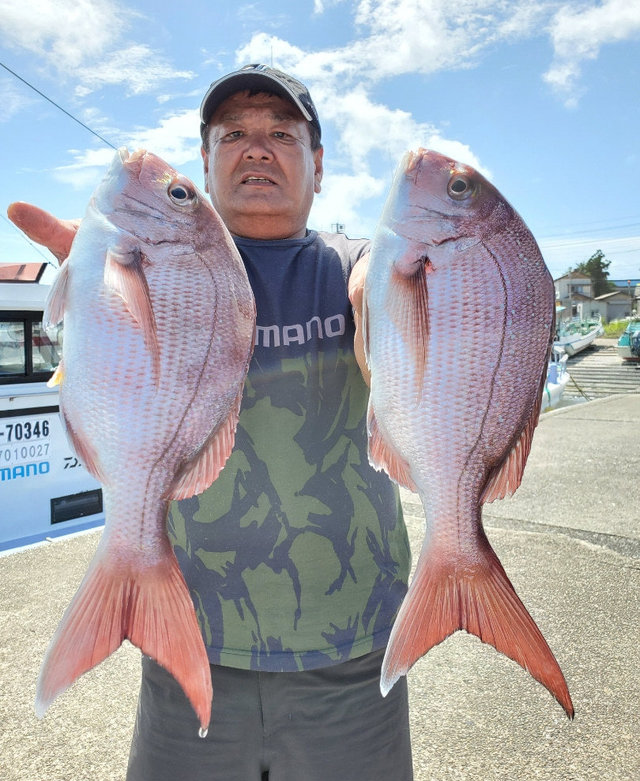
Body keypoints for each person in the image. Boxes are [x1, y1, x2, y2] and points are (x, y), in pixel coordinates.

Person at [9, 64, 413, 781]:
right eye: (233, 133)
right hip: (187, 644)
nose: (256, 147)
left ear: (318, 166)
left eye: (281, 133)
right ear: (205, 161)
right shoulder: (154, 265)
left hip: (352, 660)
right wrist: (100, 292)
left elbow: (381, 283)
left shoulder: (357, 263)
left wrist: (390, 308)